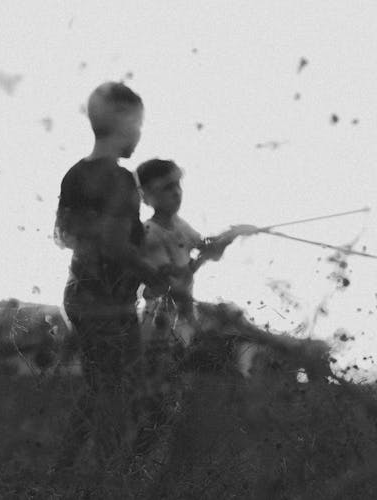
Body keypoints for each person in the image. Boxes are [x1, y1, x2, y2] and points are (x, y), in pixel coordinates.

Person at [52, 82, 166, 469]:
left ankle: (62, 473)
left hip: (79, 293)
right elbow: (116, 245)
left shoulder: (73, 175)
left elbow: (65, 237)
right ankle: (108, 478)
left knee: (98, 386)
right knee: (119, 392)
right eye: (138, 123)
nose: (139, 132)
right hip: (108, 302)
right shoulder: (121, 180)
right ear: (123, 122)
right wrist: (152, 274)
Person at [132, 158, 253, 454]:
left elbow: (207, 251)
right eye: (166, 188)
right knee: (160, 403)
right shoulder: (151, 234)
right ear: (147, 196)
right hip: (160, 324)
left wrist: (230, 236)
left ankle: (142, 462)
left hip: (181, 323)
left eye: (177, 185)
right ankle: (134, 463)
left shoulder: (180, 226)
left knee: (171, 401)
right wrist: (206, 254)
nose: (176, 192)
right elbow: (174, 282)